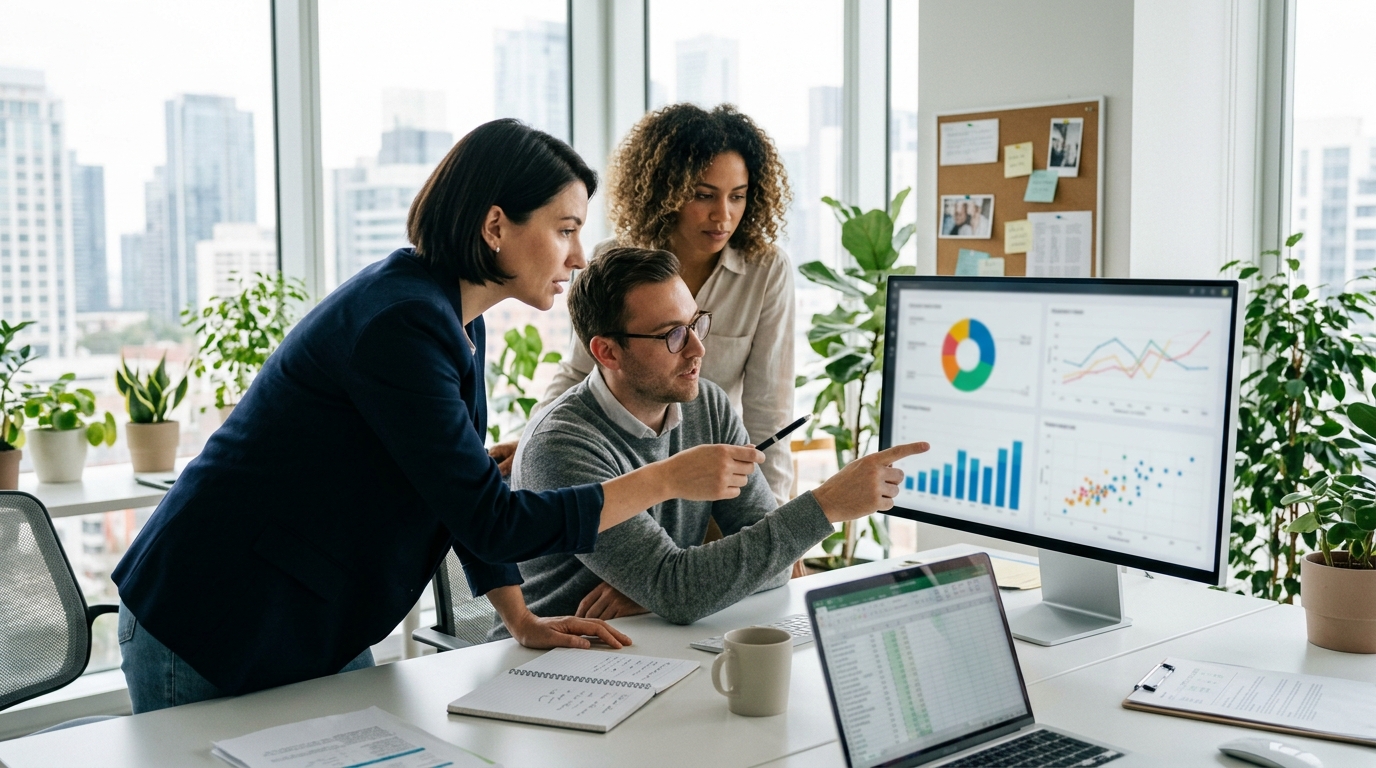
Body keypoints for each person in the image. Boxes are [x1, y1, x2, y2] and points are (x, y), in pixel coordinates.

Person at [110, 120, 762, 713]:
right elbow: (493, 520)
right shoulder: (401, 325)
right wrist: (666, 479)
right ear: (496, 227)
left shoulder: (454, 321)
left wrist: (520, 619)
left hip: (306, 616)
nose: (579, 256)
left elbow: (461, 494)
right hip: (215, 615)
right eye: (565, 229)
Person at [486, 247, 928, 636]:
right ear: (608, 352)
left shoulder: (708, 405)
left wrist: (664, 589)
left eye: (696, 324)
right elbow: (681, 592)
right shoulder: (562, 446)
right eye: (673, 335)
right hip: (550, 663)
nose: (697, 349)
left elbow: (772, 564)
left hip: (654, 643)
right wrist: (826, 505)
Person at [491, 104, 798, 504]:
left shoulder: (766, 270)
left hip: (713, 478)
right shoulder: (612, 260)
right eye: (704, 195)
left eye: (737, 197)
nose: (723, 215)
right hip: (622, 467)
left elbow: (769, 411)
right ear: (667, 192)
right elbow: (581, 370)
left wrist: (775, 514)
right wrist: (537, 443)